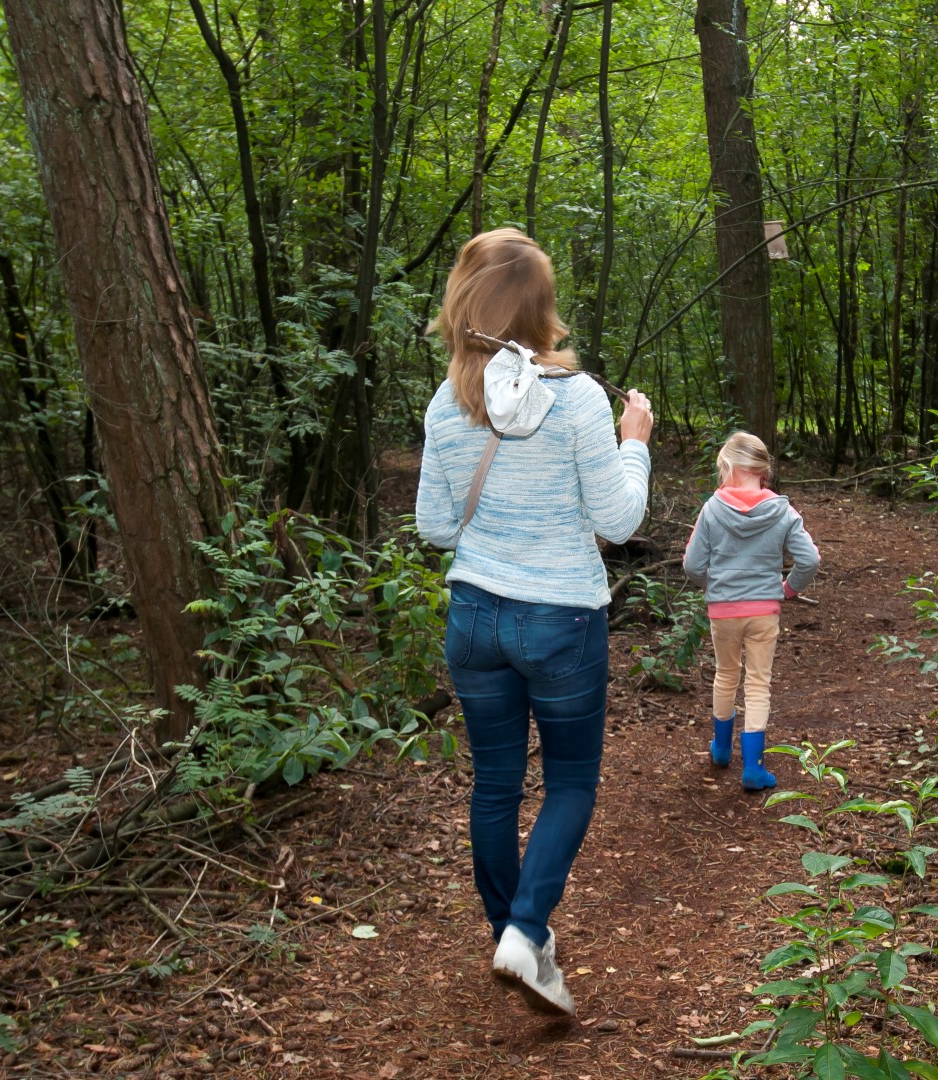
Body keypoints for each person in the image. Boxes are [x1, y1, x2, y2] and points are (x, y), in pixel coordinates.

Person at [414, 228, 653, 1016]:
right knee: (573, 780)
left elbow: (438, 530)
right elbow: (618, 520)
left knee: (494, 785)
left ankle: (516, 937)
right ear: (541, 307)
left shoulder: (446, 405)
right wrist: (635, 444)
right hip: (559, 623)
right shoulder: (578, 399)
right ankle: (524, 932)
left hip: (475, 619)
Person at [682, 432, 820, 791]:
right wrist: (788, 589)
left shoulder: (712, 508)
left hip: (723, 611)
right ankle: (754, 768)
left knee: (726, 675)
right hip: (764, 611)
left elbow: (693, 565)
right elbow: (809, 559)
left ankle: (722, 749)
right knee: (758, 683)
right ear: (761, 470)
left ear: (728, 467)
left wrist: (714, 587)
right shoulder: (782, 511)